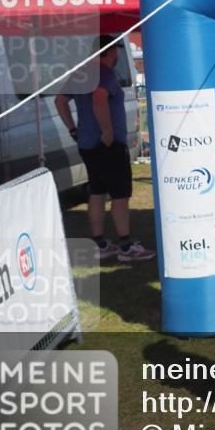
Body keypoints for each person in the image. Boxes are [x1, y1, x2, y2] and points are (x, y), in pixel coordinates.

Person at [55, 36, 154, 262]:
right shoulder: (104, 73)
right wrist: (107, 130)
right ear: (111, 51)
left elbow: (60, 101)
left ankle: (99, 243)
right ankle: (126, 247)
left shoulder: (80, 73)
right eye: (117, 50)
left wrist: (73, 129)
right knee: (120, 194)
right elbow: (98, 98)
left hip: (87, 143)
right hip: (107, 145)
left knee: (97, 192)